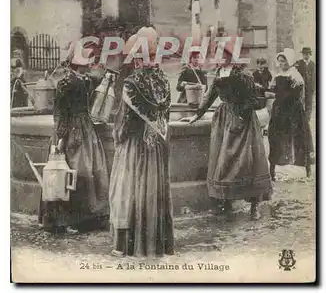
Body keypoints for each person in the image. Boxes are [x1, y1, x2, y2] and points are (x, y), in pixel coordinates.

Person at [187, 41, 272, 220]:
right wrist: (197, 115)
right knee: (223, 161)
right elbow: (210, 96)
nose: (217, 58)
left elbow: (251, 99)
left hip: (243, 119)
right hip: (224, 119)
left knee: (248, 163)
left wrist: (240, 117)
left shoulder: (244, 74)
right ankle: (225, 202)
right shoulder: (219, 72)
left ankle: (254, 206)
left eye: (221, 55)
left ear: (229, 56)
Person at [109, 27, 174, 257]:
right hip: (155, 145)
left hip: (134, 146)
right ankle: (155, 244)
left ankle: (127, 245)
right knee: (153, 193)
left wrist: (118, 136)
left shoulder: (130, 83)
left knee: (128, 191)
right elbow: (164, 116)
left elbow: (125, 120)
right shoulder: (164, 81)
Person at [38, 46, 110, 234]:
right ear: (80, 65)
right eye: (88, 64)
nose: (90, 67)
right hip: (73, 130)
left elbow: (96, 81)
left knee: (78, 171)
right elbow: (61, 113)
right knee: (71, 171)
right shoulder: (67, 83)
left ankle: (79, 219)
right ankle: (66, 220)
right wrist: (61, 138)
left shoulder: (78, 80)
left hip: (81, 127)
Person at [268, 48, 314, 181]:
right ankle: (272, 171)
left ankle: (307, 169)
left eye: (284, 61)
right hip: (280, 110)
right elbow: (272, 89)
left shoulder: (295, 75)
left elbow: (294, 95)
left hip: (293, 110)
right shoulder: (277, 75)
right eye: (280, 61)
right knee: (275, 137)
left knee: (299, 137)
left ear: (290, 61)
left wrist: (276, 95)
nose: (282, 64)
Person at [295, 47, 316, 123]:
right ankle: (299, 120)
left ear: (310, 54)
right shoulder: (299, 63)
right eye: (304, 54)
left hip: (310, 88)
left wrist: (314, 88)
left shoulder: (312, 64)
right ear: (302, 55)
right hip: (301, 87)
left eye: (307, 54)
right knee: (300, 103)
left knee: (309, 104)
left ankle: (307, 121)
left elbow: (314, 77)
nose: (306, 56)